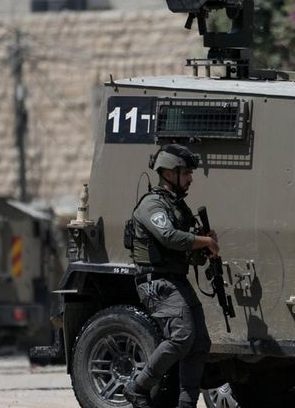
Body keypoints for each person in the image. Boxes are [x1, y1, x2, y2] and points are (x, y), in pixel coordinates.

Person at [123, 143, 218, 408]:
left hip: (175, 280)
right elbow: (168, 236)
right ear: (168, 172)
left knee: (200, 343)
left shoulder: (179, 207)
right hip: (156, 282)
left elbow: (188, 250)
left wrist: (205, 246)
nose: (190, 178)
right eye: (186, 172)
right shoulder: (152, 205)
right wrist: (204, 241)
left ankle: (186, 403)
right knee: (181, 336)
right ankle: (137, 387)